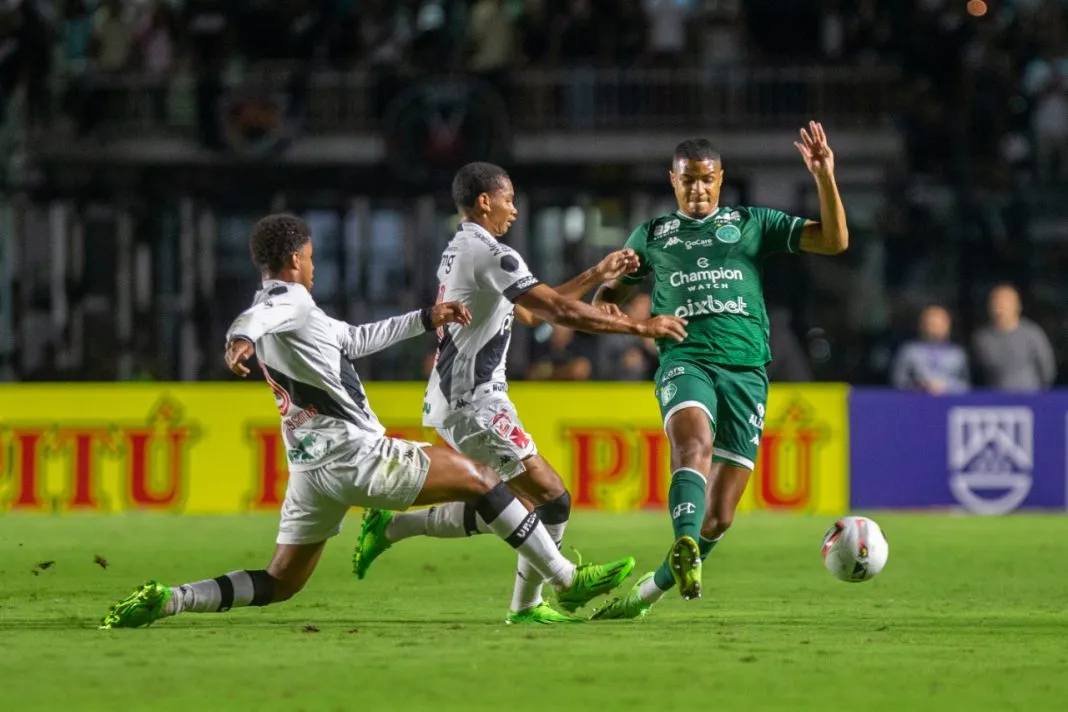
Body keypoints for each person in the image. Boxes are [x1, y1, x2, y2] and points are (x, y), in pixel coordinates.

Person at [98, 214, 638, 629]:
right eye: (309, 257)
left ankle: (172, 599)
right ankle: (564, 579)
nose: (313, 265)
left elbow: (353, 340)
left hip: (311, 471)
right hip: (356, 454)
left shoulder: (298, 311)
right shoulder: (285, 301)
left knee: (280, 582)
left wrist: (428, 318)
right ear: (292, 261)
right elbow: (254, 319)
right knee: (483, 480)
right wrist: (238, 338)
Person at [353, 162, 689, 624]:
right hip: (474, 401)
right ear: (485, 201)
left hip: (463, 397)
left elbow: (533, 313)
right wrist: (639, 326)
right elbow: (555, 311)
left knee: (512, 503)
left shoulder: (462, 248)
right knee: (552, 498)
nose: (513, 208)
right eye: (507, 198)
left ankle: (396, 528)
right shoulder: (492, 254)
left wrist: (596, 272)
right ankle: (558, 587)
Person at [589, 124, 849, 619]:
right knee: (693, 444)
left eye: (706, 179)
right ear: (673, 180)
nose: (698, 189)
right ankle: (683, 541)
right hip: (685, 359)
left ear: (721, 177)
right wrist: (637, 324)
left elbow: (834, 241)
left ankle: (649, 592)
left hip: (747, 372)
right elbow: (605, 305)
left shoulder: (752, 223)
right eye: (688, 180)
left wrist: (824, 178)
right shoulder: (652, 236)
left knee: (721, 516)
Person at [972, 283, 1056, 391]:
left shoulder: (1032, 333)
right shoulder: (982, 338)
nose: (999, 307)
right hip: (995, 401)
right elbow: (977, 373)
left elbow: (1047, 369)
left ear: (1017, 306)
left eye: (1005, 302)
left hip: (1029, 398)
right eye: (996, 302)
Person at [890, 305, 970, 394]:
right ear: (922, 325)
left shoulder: (957, 354)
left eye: (940, 323)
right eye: (932, 323)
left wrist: (947, 386)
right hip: (915, 403)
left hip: (951, 403)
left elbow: (966, 386)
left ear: (948, 325)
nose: (936, 328)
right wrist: (920, 386)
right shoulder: (909, 351)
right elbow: (898, 383)